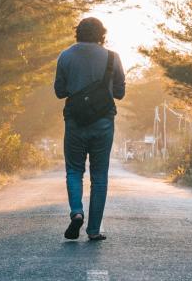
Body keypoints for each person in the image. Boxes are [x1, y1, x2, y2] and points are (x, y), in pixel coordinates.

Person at [54, 17, 125, 241]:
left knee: (74, 170)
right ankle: (93, 230)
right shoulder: (113, 57)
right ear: (101, 34)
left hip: (75, 122)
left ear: (78, 33)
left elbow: (59, 92)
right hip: (103, 123)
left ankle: (76, 211)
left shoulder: (65, 56)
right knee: (99, 175)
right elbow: (120, 93)